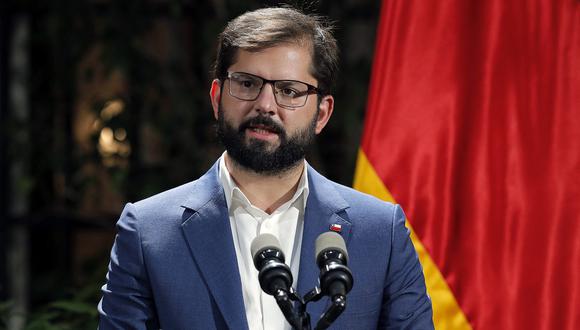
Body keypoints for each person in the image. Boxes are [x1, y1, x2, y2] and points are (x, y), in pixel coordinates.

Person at [98, 6, 433, 330]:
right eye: (246, 84)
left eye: (289, 90)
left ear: (322, 114)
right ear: (217, 97)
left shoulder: (381, 233)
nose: (265, 105)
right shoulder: (148, 232)